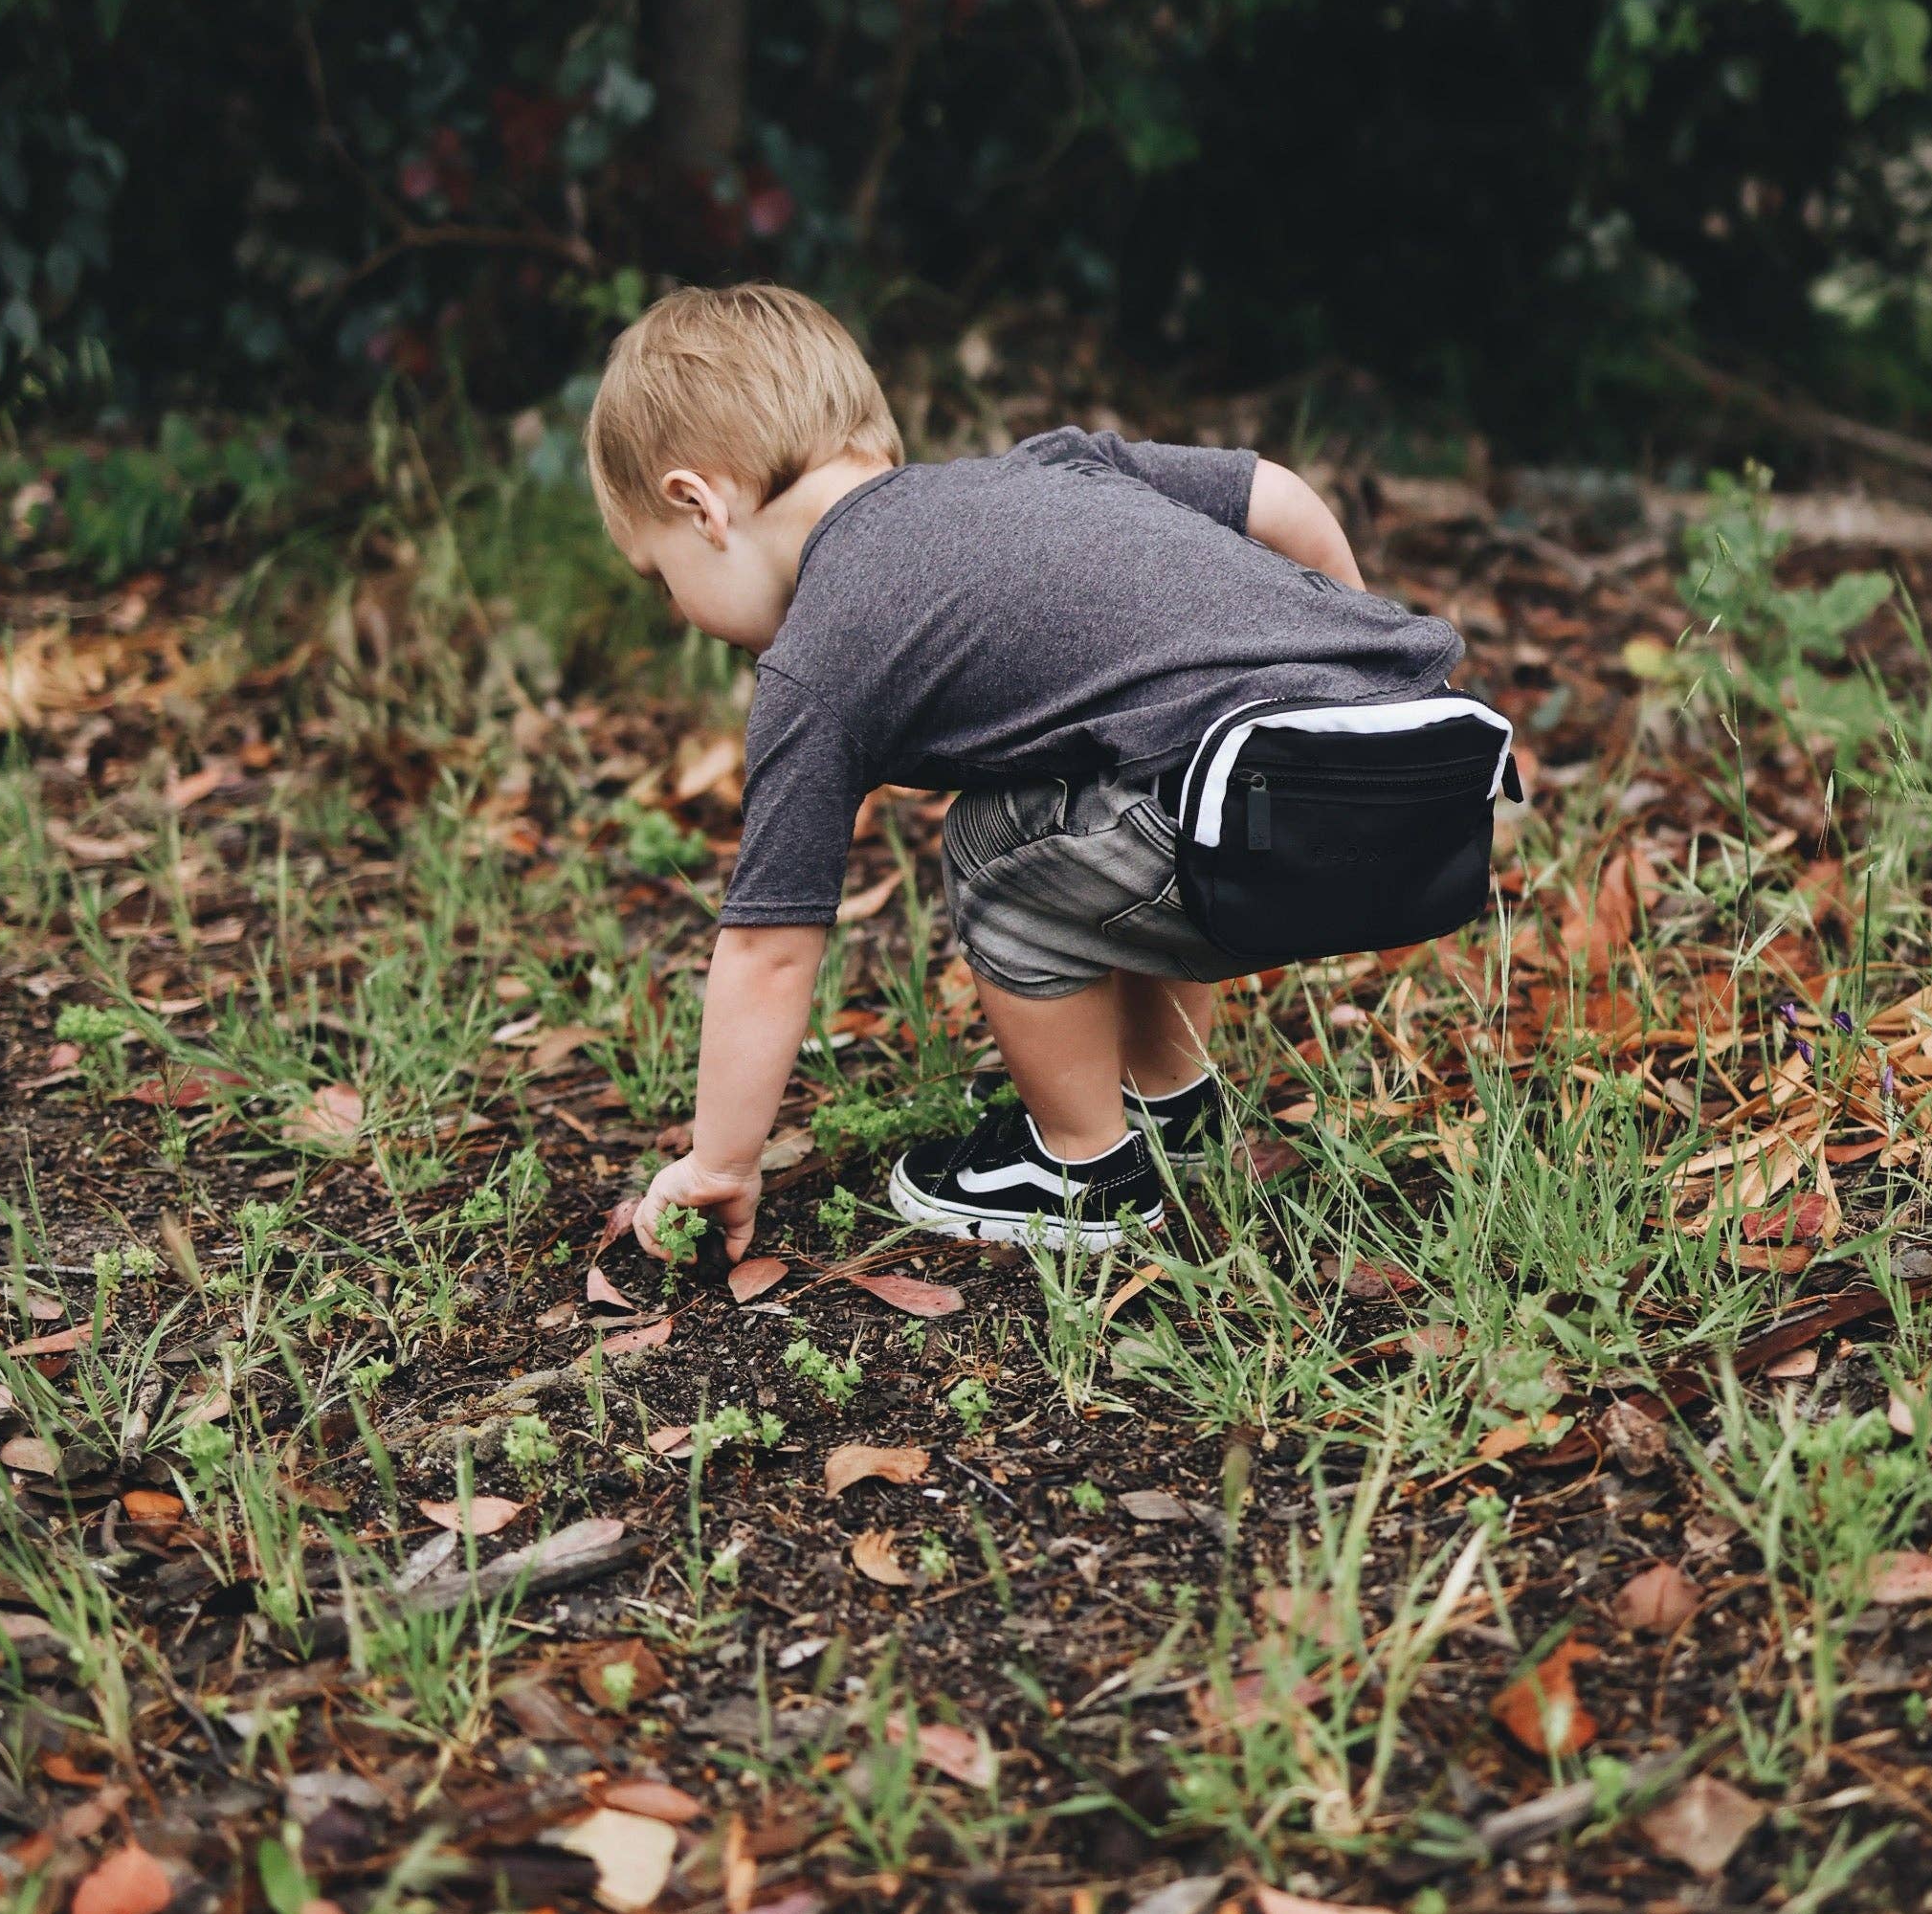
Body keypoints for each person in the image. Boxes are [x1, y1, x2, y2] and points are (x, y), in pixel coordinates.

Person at [594, 283, 1506, 1258]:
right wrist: (1348, 673)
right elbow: (1275, 493)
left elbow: (770, 947)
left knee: (995, 838)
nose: (677, 610)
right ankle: (1172, 1106)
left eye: (661, 580)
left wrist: (721, 1163)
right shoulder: (1055, 467)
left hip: (1262, 830)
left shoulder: (820, 655)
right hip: (1428, 785)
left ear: (698, 505)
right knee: (1114, 767)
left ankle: (1084, 1171)